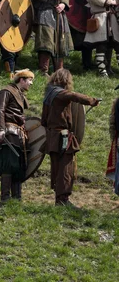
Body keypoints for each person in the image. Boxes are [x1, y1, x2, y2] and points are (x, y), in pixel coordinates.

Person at [42, 69, 99, 206]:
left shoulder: (48, 94)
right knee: (66, 168)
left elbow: (43, 120)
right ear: (65, 80)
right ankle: (63, 200)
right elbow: (74, 96)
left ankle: (59, 198)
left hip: (51, 136)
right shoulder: (60, 93)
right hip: (62, 136)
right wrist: (92, 101)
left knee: (57, 167)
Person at [0, 69, 34, 202]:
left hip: (19, 134)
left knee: (18, 165)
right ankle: (5, 197)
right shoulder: (7, 91)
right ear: (22, 80)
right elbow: (0, 111)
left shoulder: (20, 94)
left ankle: (16, 199)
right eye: (29, 80)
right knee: (8, 164)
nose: (31, 83)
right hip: (9, 132)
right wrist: (0, 129)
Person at [83, 0, 118, 77]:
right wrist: (109, 1)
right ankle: (102, 72)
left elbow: (115, 4)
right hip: (99, 19)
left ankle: (109, 68)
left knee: (115, 45)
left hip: (112, 21)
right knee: (101, 46)